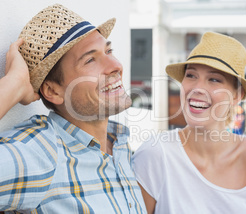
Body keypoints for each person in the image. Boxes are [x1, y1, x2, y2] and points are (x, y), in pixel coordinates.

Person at [0, 4, 146, 213]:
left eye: (109, 51)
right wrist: (13, 84)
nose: (115, 65)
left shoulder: (121, 145)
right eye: (90, 60)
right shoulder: (43, 153)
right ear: (53, 91)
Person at [132, 32, 246, 214]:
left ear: (237, 96)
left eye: (214, 79)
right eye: (191, 75)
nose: (198, 88)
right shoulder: (156, 156)